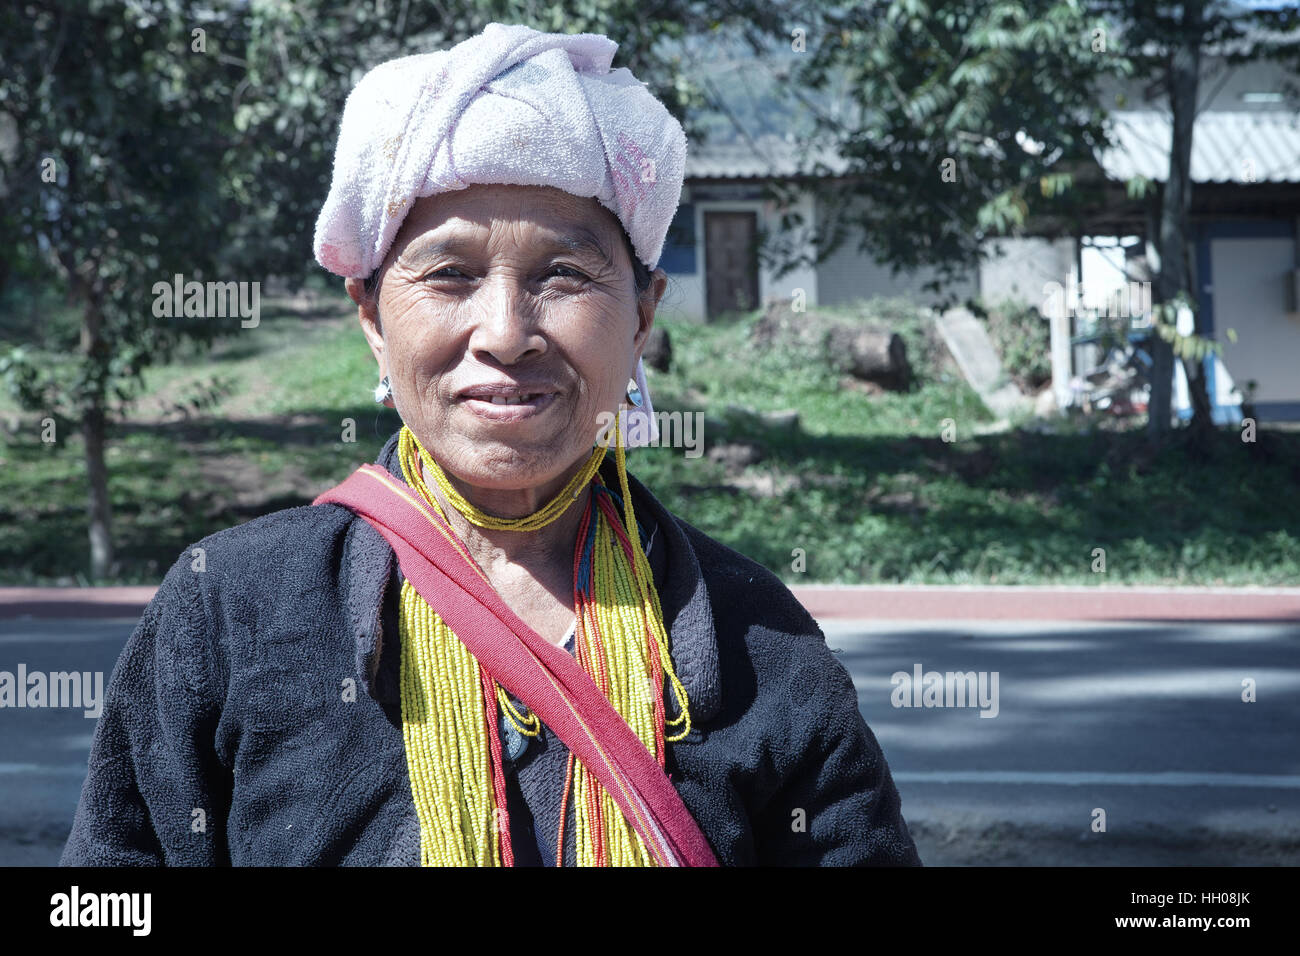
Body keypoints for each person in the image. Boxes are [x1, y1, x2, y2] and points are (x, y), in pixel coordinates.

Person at [60, 22, 921, 867]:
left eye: (564, 274)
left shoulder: (755, 636)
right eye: (449, 275)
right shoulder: (232, 610)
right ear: (370, 318)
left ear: (643, 317)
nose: (507, 333)